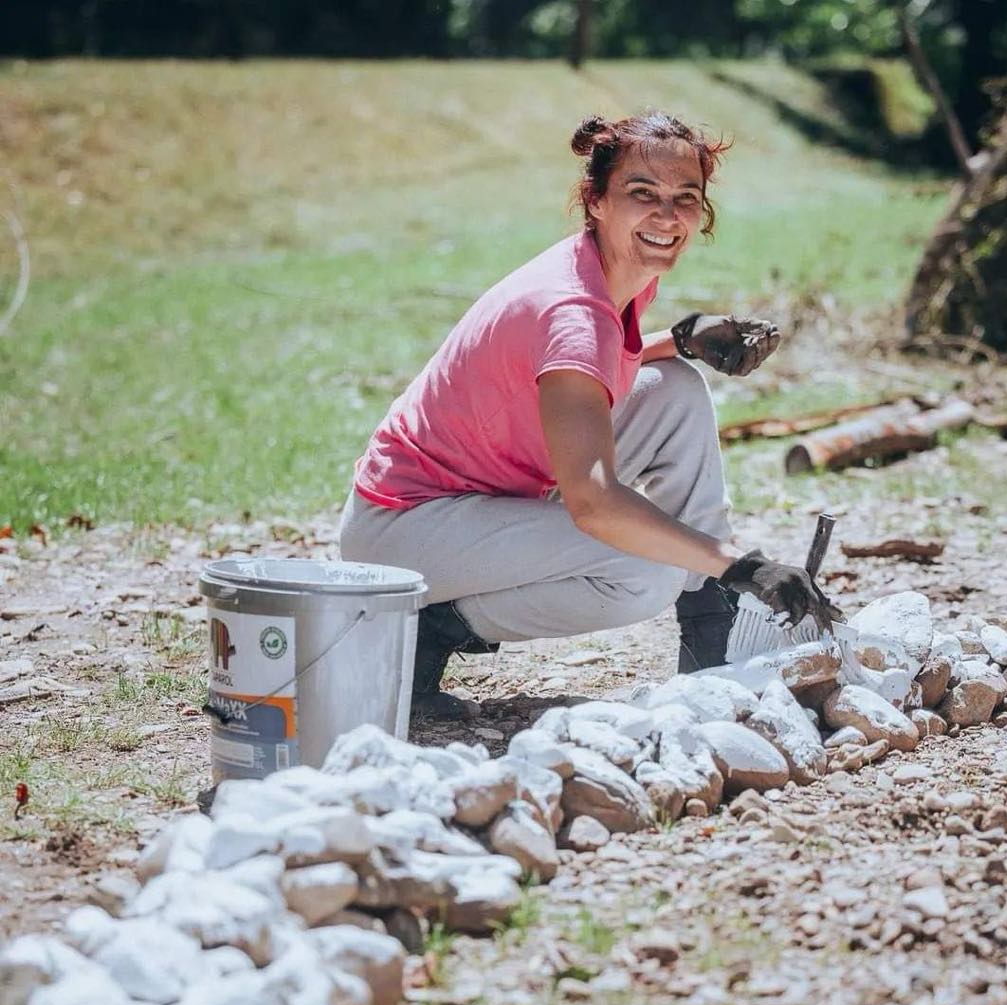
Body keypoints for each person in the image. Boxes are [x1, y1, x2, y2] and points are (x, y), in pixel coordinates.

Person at [339, 111, 841, 719]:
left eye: (686, 198)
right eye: (642, 194)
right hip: (405, 529)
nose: (667, 216)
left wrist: (681, 340)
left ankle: (710, 620)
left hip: (479, 495)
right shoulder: (572, 309)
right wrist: (743, 565)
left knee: (676, 388)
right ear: (596, 200)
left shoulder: (613, 269)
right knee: (644, 568)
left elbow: (595, 360)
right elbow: (594, 502)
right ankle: (430, 626)